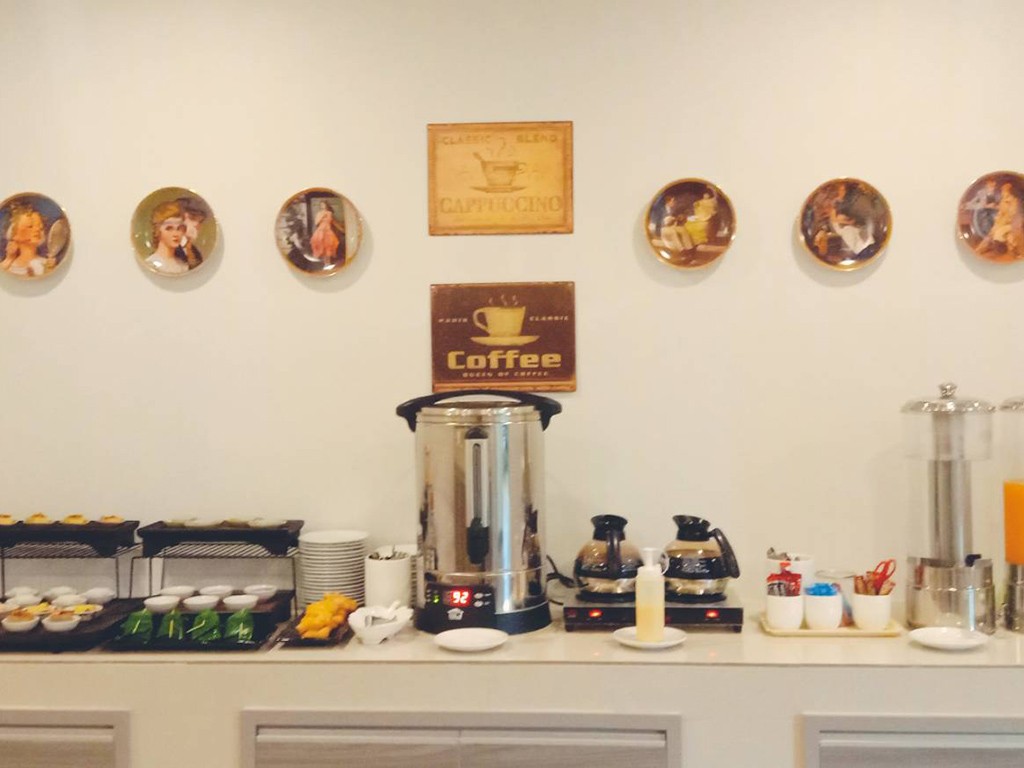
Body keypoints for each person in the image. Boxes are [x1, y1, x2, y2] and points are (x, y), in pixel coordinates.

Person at [0, 206, 49, 277]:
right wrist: (9, 259)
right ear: (14, 234)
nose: (37, 230)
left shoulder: (45, 264)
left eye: (40, 227)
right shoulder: (7, 267)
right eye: (30, 226)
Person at [145, 201, 189, 275]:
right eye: (169, 228)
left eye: (179, 228)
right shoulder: (151, 264)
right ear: (158, 231)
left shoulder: (183, 266)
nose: (176, 234)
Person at [309, 200, 345, 265]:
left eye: (324, 204)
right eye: (322, 205)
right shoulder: (319, 213)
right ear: (320, 206)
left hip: (328, 231)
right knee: (321, 246)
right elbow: (316, 223)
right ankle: (324, 262)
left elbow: (333, 222)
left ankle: (328, 262)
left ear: (327, 205)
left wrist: (342, 229)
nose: (323, 206)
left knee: (329, 245)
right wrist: (322, 215)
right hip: (320, 231)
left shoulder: (330, 213)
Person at [176, 198, 207, 269]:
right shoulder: (169, 246)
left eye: (200, 221)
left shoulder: (195, 252)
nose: (197, 224)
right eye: (193, 218)